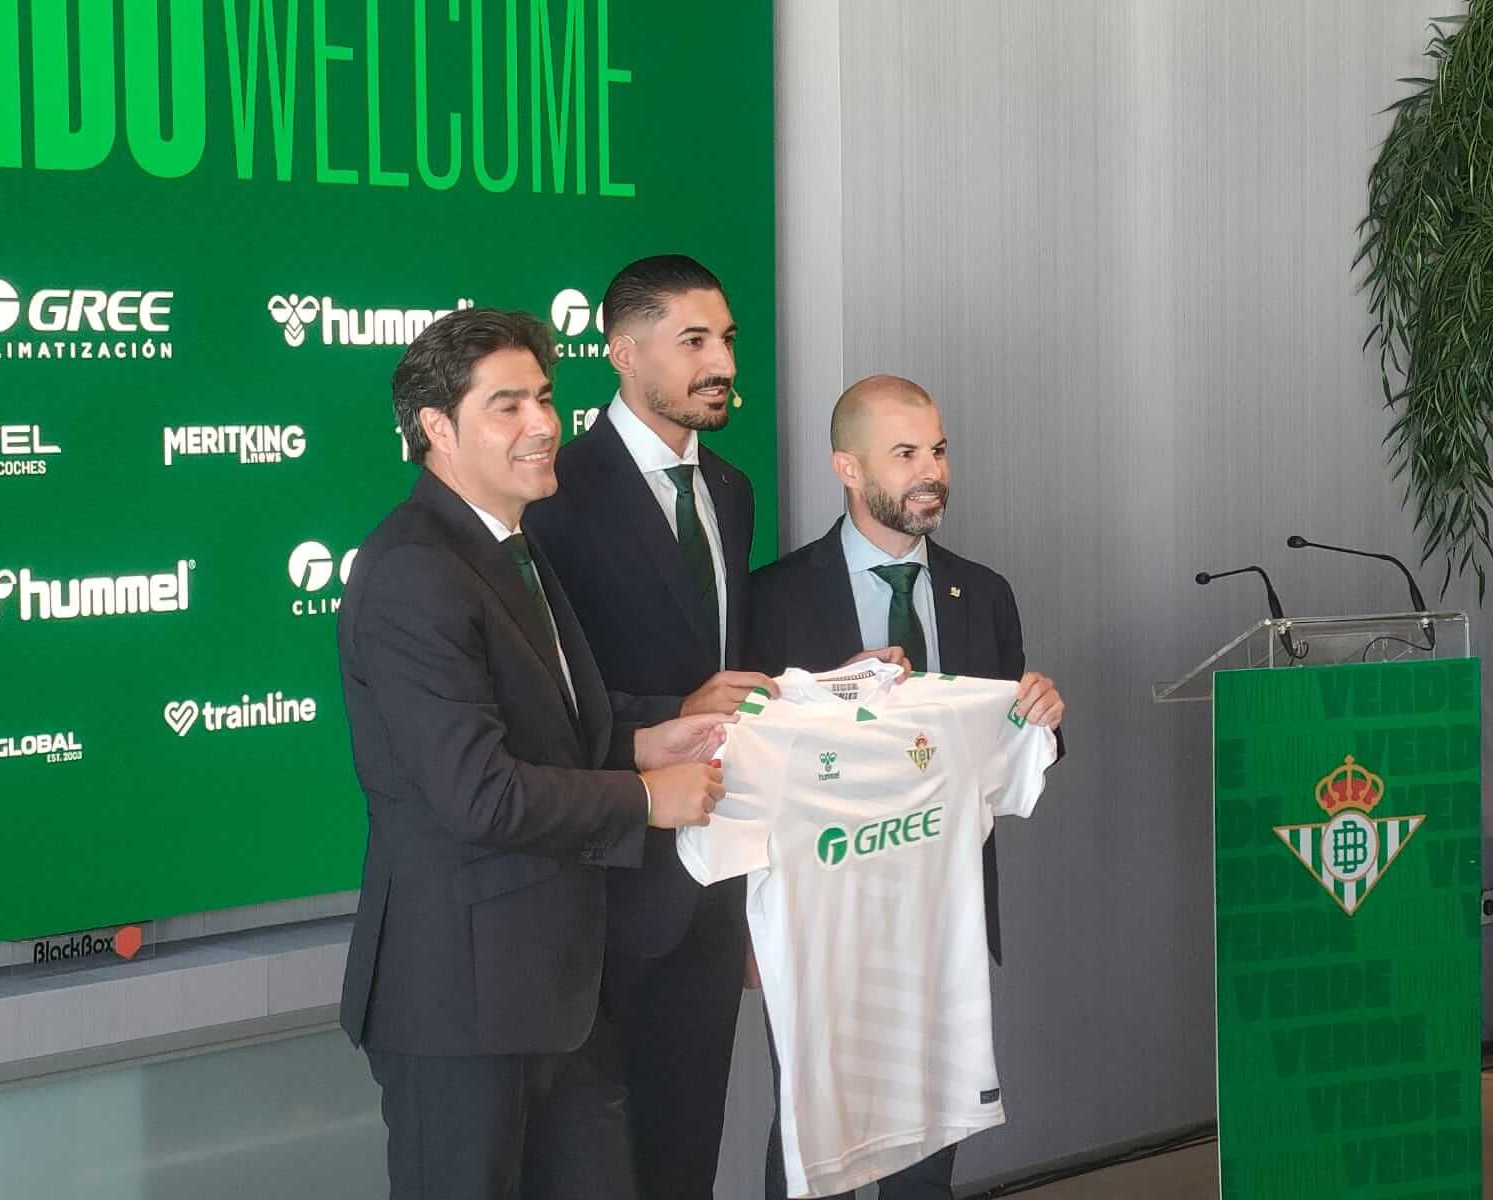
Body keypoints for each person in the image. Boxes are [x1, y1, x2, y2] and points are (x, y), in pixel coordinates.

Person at [336, 307, 727, 1200]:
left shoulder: (509, 544)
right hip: (457, 1005)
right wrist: (645, 797)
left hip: (557, 992)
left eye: (545, 398)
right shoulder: (412, 571)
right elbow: (480, 794)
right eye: (506, 406)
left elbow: (544, 727)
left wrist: (644, 739)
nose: (544, 425)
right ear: (436, 429)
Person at [746, 373, 1066, 1199]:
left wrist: (1044, 722)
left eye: (939, 449)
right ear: (847, 469)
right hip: (822, 923)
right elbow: (743, 762)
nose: (932, 471)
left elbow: (1009, 750)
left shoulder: (984, 593)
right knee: (812, 1140)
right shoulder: (770, 600)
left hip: (939, 924)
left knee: (929, 1149)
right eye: (906, 453)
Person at [524, 253, 776, 1200]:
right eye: (694, 342)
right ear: (624, 352)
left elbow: (734, 676)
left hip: (712, 882)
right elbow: (542, 704)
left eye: (727, 341)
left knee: (686, 1153)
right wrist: (672, 718)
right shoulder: (553, 494)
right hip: (598, 889)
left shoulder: (734, 491)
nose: (721, 363)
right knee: (589, 1167)